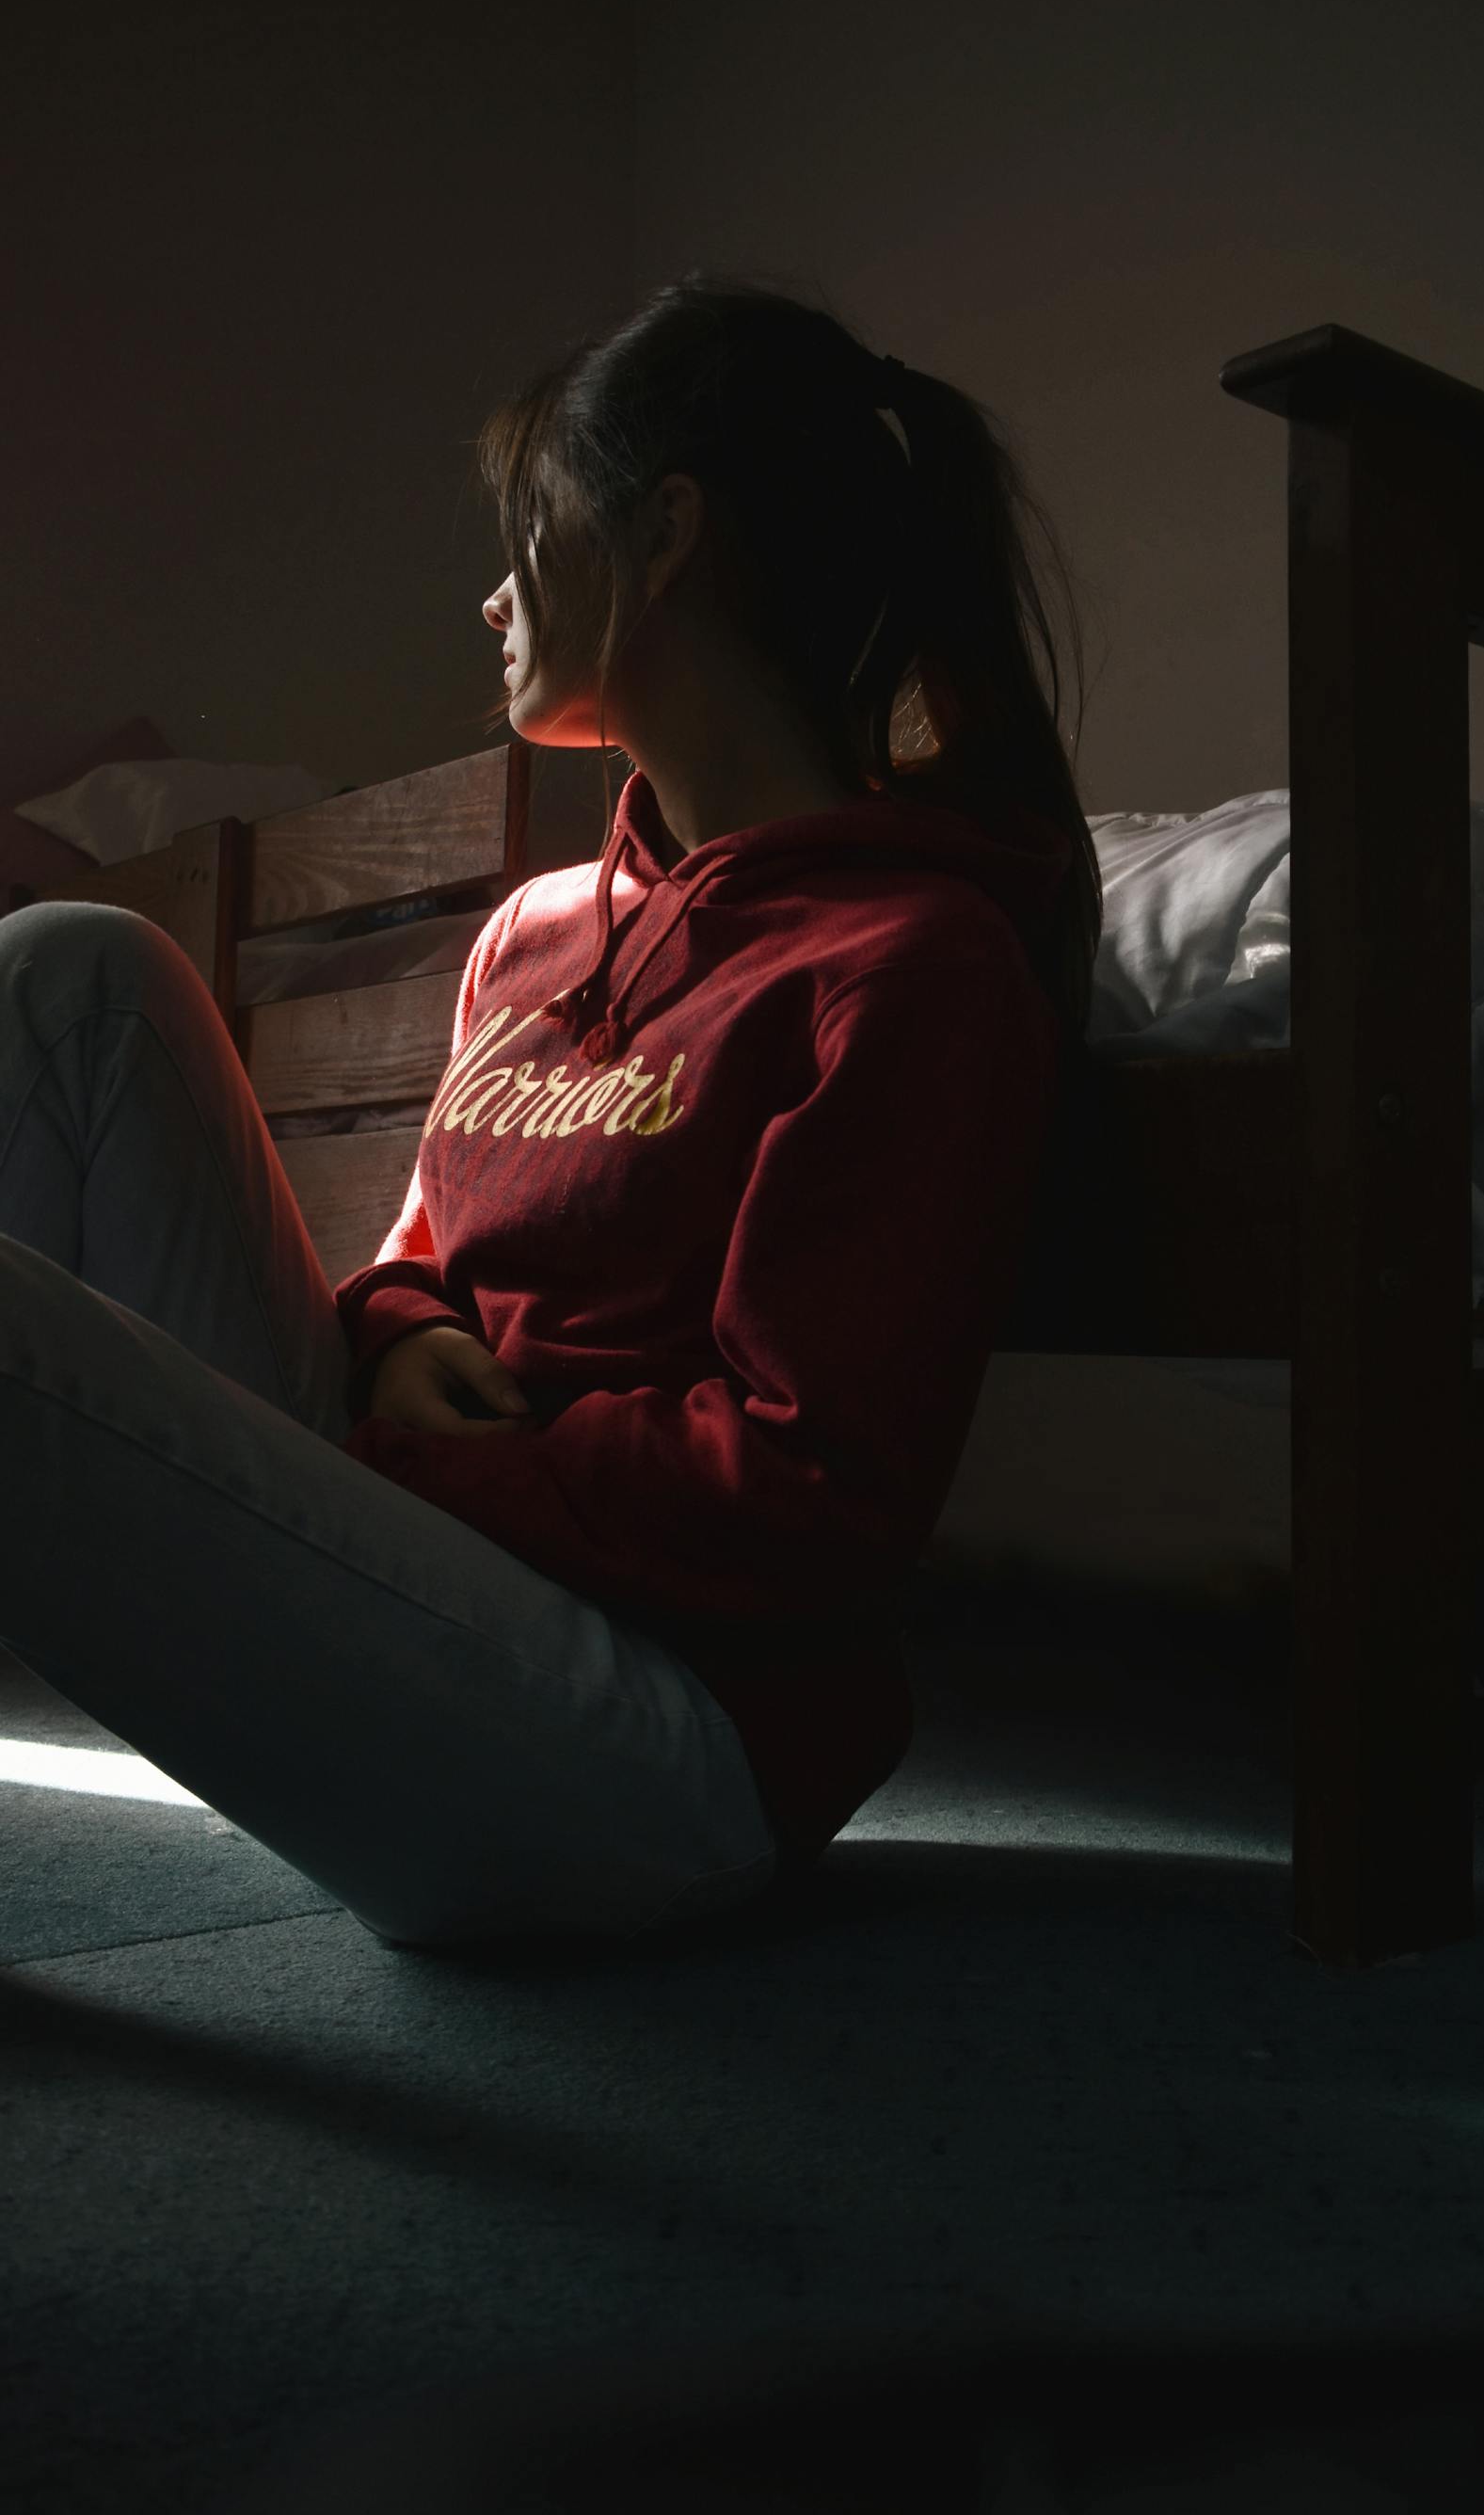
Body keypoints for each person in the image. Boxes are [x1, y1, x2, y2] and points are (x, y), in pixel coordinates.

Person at [0, 273, 1103, 1949]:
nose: (492, 595)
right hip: (431, 1568)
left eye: (531, 532)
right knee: (75, 972)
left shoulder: (910, 963)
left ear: (665, 535)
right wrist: (385, 1336)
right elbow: (415, 1262)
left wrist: (419, 1465)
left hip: (654, 1743)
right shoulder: (533, 934)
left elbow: (814, 1496)